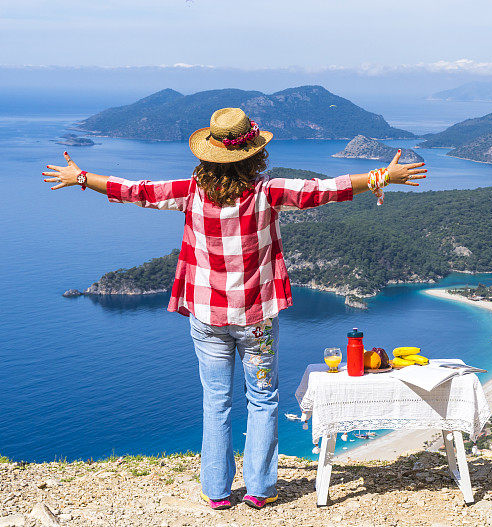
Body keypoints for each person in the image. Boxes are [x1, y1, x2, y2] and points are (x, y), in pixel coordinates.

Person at [42, 107, 426, 510]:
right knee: (262, 400)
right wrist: (383, 176)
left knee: (216, 402)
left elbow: (135, 190)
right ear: (255, 154)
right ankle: (260, 489)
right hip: (257, 319)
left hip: (207, 319)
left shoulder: (188, 191)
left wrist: (81, 176)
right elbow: (324, 189)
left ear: (208, 154)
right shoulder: (268, 191)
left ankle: (218, 492)